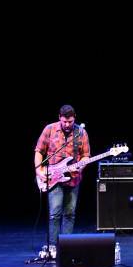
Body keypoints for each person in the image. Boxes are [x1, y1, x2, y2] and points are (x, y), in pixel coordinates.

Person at [34, 104, 90, 251]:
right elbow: (39, 151)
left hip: (73, 178)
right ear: (59, 118)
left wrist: (81, 165)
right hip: (53, 177)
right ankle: (52, 246)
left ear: (74, 118)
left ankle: (67, 246)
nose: (67, 124)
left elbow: (86, 155)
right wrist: (39, 171)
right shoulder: (50, 129)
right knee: (55, 213)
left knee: (70, 214)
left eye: (70, 121)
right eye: (64, 121)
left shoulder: (81, 132)